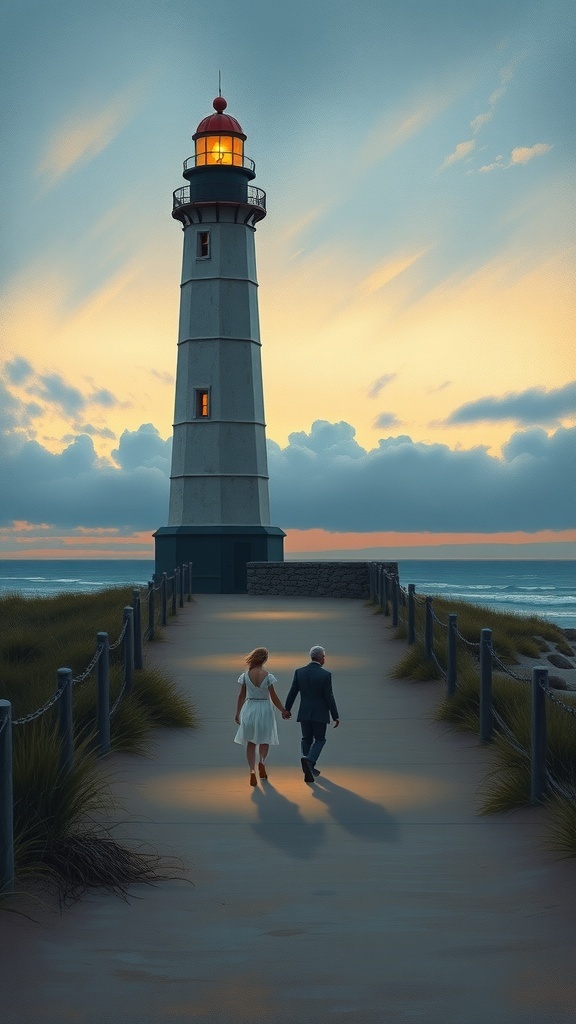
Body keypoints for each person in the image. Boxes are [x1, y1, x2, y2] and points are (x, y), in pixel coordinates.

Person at [234, 647, 290, 787]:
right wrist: (283, 710)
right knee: (265, 739)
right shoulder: (268, 676)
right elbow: (273, 696)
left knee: (251, 742)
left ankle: (252, 771)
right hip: (265, 708)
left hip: (250, 708)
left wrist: (237, 712)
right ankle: (262, 762)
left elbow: (241, 695)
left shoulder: (246, 675)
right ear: (264, 659)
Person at [284, 645, 340, 783]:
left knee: (306, 738)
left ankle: (308, 768)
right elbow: (329, 697)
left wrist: (287, 709)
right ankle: (309, 761)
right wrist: (335, 715)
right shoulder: (325, 675)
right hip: (320, 713)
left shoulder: (299, 672)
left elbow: (293, 692)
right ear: (321, 658)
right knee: (320, 739)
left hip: (304, 712)